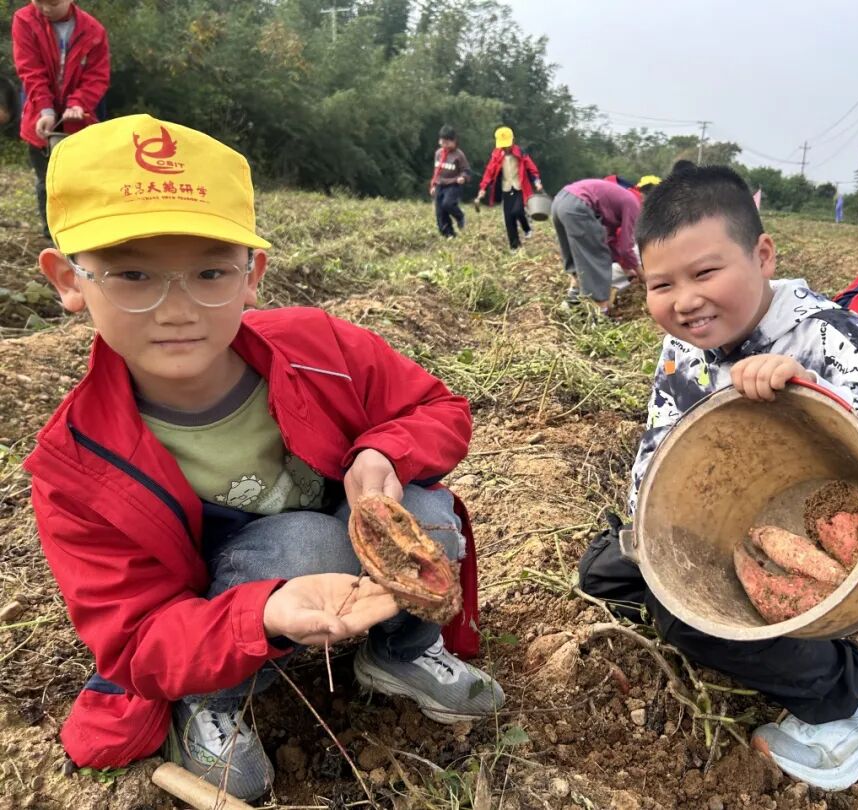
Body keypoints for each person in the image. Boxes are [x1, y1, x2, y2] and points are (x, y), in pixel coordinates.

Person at [25, 114, 504, 802]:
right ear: (68, 281)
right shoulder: (77, 466)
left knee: (426, 511)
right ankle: (213, 700)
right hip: (227, 606)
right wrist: (263, 615)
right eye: (131, 274)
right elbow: (135, 637)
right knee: (305, 542)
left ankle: (400, 650)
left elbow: (439, 407)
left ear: (252, 275)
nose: (177, 309)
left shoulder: (317, 347)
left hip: (336, 545)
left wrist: (383, 450)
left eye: (209, 272)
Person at [578, 165, 858, 791]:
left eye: (705, 273)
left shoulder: (832, 336)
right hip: (747, 522)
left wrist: (827, 400)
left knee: (687, 621)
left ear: (762, 255)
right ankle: (752, 634)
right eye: (662, 284)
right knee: (605, 570)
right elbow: (662, 445)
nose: (685, 300)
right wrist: (654, 534)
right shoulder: (686, 344)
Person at [12, 0, 110, 241]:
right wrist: (45, 110)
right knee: (46, 180)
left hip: (79, 122)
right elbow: (30, 70)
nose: (46, 9)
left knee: (79, 181)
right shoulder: (25, 20)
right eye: (39, 2)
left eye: (53, 3)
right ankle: (52, 236)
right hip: (39, 119)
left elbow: (97, 76)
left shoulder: (93, 30)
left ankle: (80, 232)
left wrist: (79, 103)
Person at [551, 178, 642, 317]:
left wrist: (627, 270)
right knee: (597, 257)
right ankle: (601, 314)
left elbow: (611, 241)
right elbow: (626, 248)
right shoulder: (634, 205)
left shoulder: (620, 200)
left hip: (560, 200)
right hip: (578, 204)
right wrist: (642, 274)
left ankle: (571, 302)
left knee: (576, 256)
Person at [475, 126, 543, 250]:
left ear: (512, 141)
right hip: (506, 188)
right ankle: (514, 246)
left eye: (507, 145)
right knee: (509, 218)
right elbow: (489, 172)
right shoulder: (496, 155)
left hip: (520, 188)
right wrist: (483, 188)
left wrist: (537, 181)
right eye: (503, 146)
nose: (505, 148)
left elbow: (531, 168)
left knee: (517, 211)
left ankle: (527, 227)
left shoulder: (520, 153)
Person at [429, 124, 470, 239]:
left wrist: (463, 177)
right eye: (442, 142)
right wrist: (433, 185)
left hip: (453, 184)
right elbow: (436, 171)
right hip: (440, 184)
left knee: (448, 204)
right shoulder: (438, 153)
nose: (445, 145)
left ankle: (460, 216)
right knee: (440, 211)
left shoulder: (459, 155)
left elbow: (466, 170)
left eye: (447, 143)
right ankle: (449, 234)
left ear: (454, 141)